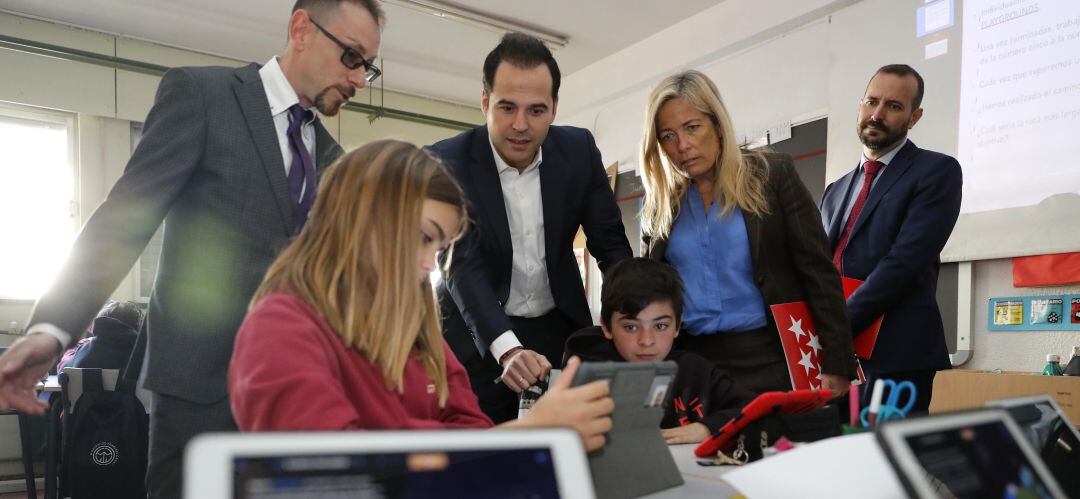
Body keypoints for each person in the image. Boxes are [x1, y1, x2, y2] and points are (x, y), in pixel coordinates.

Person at [0, 1, 383, 495]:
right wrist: (52, 329)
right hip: (199, 389)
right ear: (301, 28)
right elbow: (125, 217)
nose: (358, 80)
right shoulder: (205, 95)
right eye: (351, 57)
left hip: (291, 394)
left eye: (367, 68)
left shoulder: (330, 158)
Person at [229, 140, 614, 452]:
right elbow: (334, 472)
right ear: (361, 218)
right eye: (422, 237)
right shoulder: (281, 326)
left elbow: (470, 429)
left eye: (439, 247)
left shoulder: (416, 330)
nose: (430, 265)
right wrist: (532, 433)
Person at [428, 33, 632, 423]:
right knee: (483, 461)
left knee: (571, 452)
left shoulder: (578, 151)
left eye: (536, 110)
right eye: (507, 107)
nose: (520, 125)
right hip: (477, 341)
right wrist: (506, 350)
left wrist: (633, 314)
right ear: (485, 102)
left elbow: (610, 244)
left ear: (554, 108)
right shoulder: (446, 162)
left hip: (560, 334)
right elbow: (461, 267)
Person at [638, 70, 855, 394]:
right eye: (667, 135)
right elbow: (651, 295)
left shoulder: (771, 176)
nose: (682, 145)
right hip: (693, 366)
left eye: (692, 127)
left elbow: (819, 273)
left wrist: (837, 362)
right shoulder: (658, 203)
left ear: (718, 126)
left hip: (773, 358)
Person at [820, 64, 962, 414]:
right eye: (871, 102)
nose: (877, 114)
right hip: (836, 355)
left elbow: (905, 262)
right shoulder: (835, 190)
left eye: (894, 106)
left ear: (914, 117)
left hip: (896, 353)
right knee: (832, 459)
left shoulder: (937, 171)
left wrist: (838, 325)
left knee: (886, 465)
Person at [563, 258, 757, 444]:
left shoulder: (696, 371)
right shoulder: (584, 371)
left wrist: (707, 427)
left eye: (661, 326)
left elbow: (758, 410)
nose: (647, 341)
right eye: (631, 327)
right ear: (606, 327)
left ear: (677, 326)